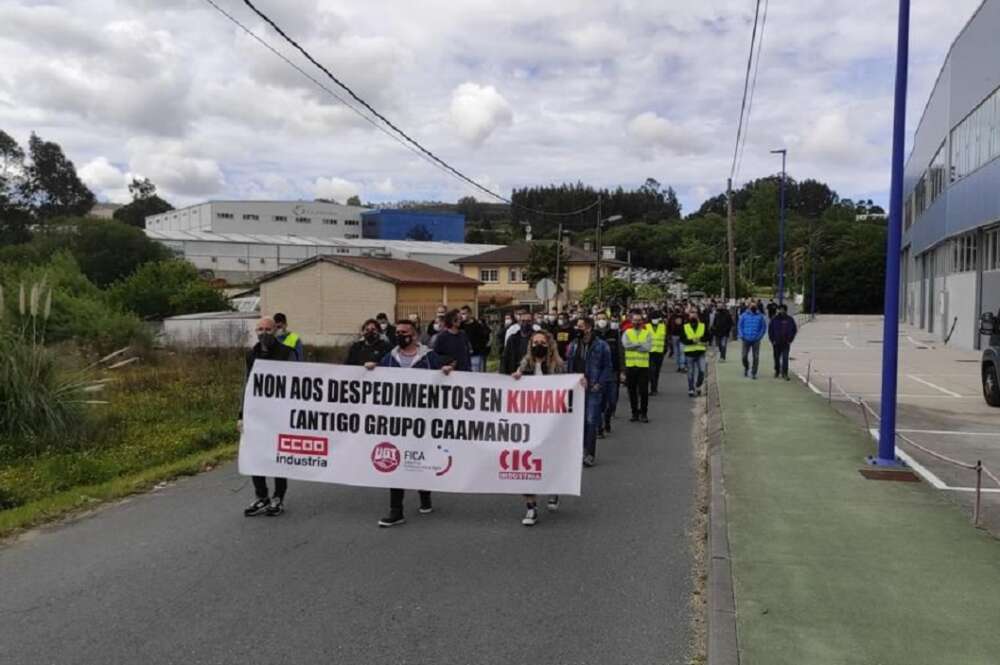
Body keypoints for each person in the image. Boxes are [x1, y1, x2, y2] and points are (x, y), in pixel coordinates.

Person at [366, 320, 453, 527]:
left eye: (403, 332)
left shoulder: (428, 357)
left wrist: (447, 371)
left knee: (421, 458)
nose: (399, 335)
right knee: (396, 461)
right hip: (397, 422)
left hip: (423, 420)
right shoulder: (389, 358)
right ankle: (396, 510)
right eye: (397, 332)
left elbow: (445, 378)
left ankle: (425, 495)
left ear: (413, 336)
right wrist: (372, 369)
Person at [239, 316, 296, 517]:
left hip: (280, 414)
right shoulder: (251, 353)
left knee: (278, 456)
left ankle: (278, 497)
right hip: (257, 414)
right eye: (260, 329)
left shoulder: (286, 352)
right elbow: (247, 384)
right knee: (256, 455)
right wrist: (241, 414)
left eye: (267, 329)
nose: (263, 333)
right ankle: (261, 496)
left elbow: (296, 382)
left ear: (275, 331)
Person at [511, 331, 567, 526]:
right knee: (526, 463)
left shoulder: (558, 366)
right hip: (528, 423)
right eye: (536, 342)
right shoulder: (524, 364)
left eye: (542, 342)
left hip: (551, 422)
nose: (539, 345)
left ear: (549, 345)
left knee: (549, 458)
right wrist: (515, 378)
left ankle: (554, 488)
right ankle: (531, 507)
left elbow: (567, 389)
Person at [565, 317, 612, 467]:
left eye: (580, 326)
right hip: (576, 388)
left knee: (591, 420)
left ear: (589, 328)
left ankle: (589, 453)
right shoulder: (573, 345)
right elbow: (568, 365)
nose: (577, 329)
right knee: (578, 421)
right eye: (577, 326)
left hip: (593, 388)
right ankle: (579, 451)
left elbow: (607, 367)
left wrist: (599, 383)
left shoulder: (601, 346)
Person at [594, 311, 624, 435]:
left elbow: (620, 352)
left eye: (604, 318)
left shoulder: (614, 333)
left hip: (612, 372)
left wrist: (622, 370)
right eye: (599, 318)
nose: (602, 321)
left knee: (611, 400)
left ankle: (607, 419)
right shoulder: (593, 335)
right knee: (598, 400)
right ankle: (599, 427)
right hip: (597, 373)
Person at [621, 308, 652, 423]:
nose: (637, 322)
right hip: (630, 366)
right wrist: (640, 344)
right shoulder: (627, 332)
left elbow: (648, 348)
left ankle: (644, 413)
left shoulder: (647, 333)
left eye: (639, 320)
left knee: (643, 392)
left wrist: (634, 345)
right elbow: (626, 345)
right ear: (631, 321)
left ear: (642, 321)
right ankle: (634, 413)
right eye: (634, 320)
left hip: (643, 366)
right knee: (632, 391)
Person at [738, 303, 768, 380]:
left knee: (756, 357)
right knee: (744, 356)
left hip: (756, 340)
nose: (753, 307)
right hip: (745, 339)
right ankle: (746, 367)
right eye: (751, 306)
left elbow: (763, 328)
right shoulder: (744, 315)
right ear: (749, 307)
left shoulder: (760, 316)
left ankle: (754, 373)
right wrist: (742, 335)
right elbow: (740, 326)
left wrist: (759, 337)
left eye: (754, 306)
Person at [682, 310, 708, 397]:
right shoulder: (685, 327)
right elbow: (683, 339)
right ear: (689, 317)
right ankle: (691, 389)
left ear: (697, 316)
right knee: (690, 372)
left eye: (694, 314)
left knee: (702, 371)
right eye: (691, 315)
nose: (693, 316)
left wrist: (701, 340)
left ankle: (698, 385)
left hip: (700, 352)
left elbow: (708, 336)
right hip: (689, 353)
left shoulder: (702, 326)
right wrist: (692, 341)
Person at [501, 310, 536, 375]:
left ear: (533, 322)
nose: (525, 323)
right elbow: (505, 358)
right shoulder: (512, 339)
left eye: (528, 321)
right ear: (519, 322)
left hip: (532, 375)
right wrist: (503, 375)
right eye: (523, 321)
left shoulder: (537, 338)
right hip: (514, 375)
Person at [769, 304, 798, 380]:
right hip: (776, 343)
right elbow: (770, 331)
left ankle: (785, 373)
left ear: (785, 310)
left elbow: (794, 330)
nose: (781, 311)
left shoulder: (790, 319)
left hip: (786, 343)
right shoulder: (774, 319)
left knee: (785, 358)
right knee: (776, 358)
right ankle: (777, 371)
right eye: (779, 309)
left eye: (782, 309)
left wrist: (790, 340)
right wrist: (773, 340)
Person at [459, 305, 491, 372]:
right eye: (461, 314)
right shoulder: (460, 326)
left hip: (476, 355)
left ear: (470, 314)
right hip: (463, 356)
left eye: (464, 313)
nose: (462, 316)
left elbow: (484, 340)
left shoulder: (478, 326)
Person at [647, 311, 668, 395]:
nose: (655, 320)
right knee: (651, 371)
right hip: (650, 352)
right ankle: (652, 388)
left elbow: (665, 339)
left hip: (660, 352)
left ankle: (654, 388)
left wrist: (665, 350)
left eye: (656, 318)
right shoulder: (646, 327)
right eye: (653, 318)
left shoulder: (662, 326)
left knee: (657, 372)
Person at [668, 308, 687, 372]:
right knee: (682, 352)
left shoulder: (672, 317)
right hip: (681, 336)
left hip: (674, 336)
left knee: (677, 352)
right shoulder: (683, 317)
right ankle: (682, 366)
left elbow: (668, 326)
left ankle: (679, 366)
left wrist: (669, 335)